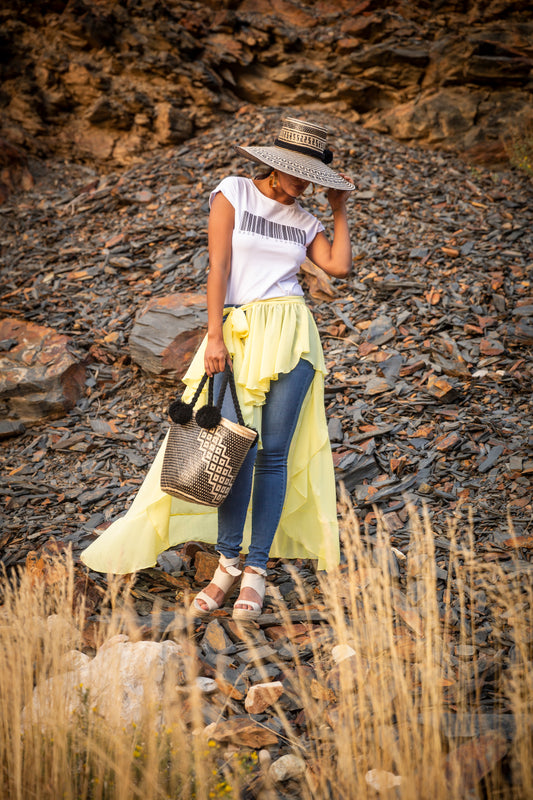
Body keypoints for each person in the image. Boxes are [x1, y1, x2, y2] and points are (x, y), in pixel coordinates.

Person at [81, 116, 354, 621]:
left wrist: (337, 210)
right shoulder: (233, 193)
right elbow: (220, 267)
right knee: (236, 453)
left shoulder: (307, 220)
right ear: (274, 166)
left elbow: (338, 267)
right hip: (240, 331)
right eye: (297, 172)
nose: (303, 183)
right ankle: (226, 562)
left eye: (312, 176)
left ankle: (255, 570)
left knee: (273, 455)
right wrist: (213, 334)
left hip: (292, 336)